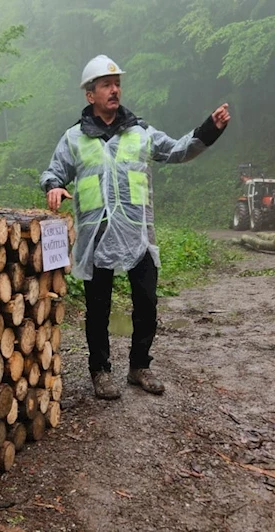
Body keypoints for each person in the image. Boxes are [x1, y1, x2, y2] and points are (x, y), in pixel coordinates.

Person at [39, 55, 230, 399]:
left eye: (117, 84)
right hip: (96, 237)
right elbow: (54, 171)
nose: (114, 90)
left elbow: (178, 151)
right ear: (90, 95)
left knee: (146, 303)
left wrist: (209, 129)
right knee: (98, 308)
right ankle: (100, 371)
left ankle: (139, 366)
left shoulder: (141, 133)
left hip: (138, 235)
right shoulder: (74, 139)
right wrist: (53, 185)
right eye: (106, 85)